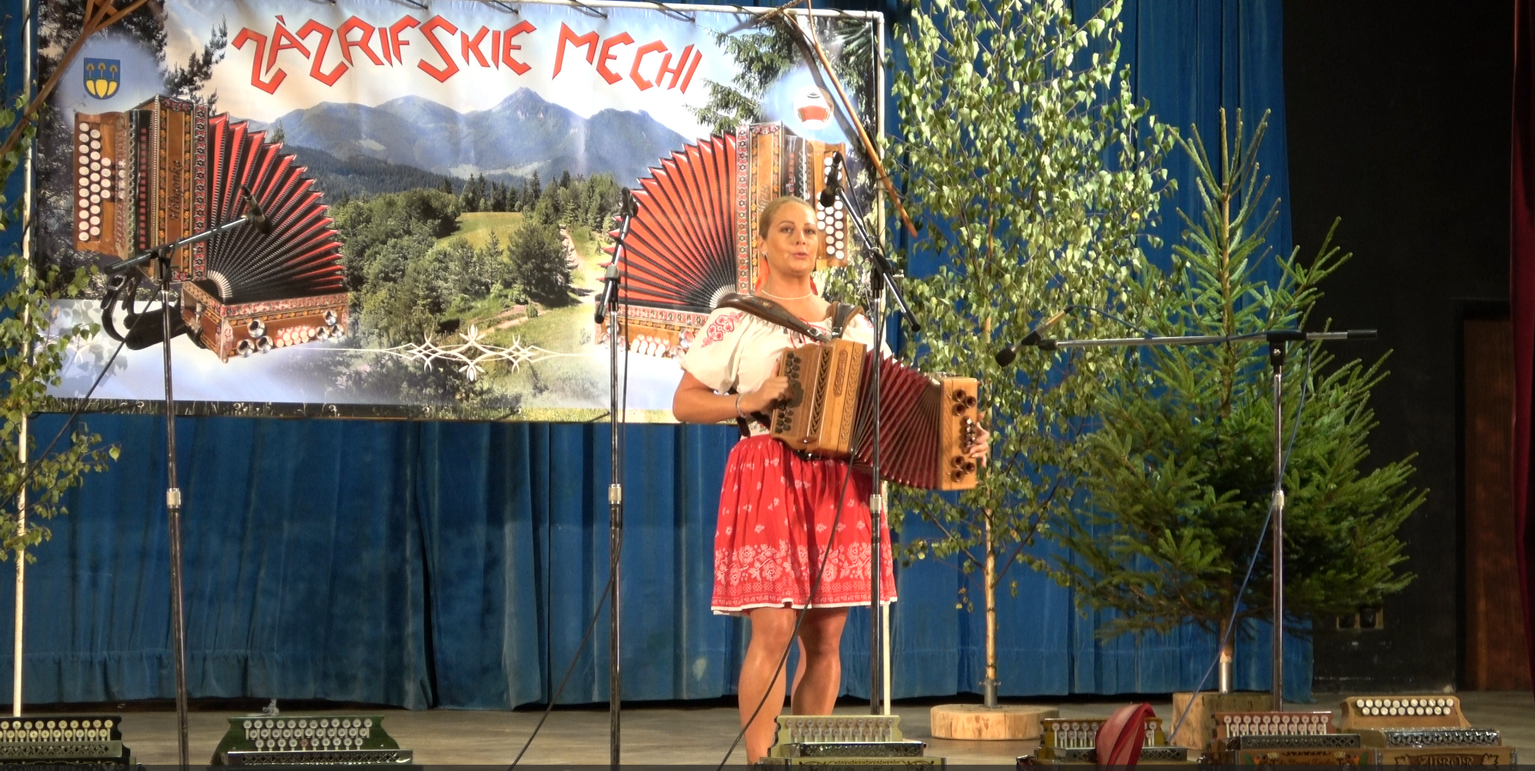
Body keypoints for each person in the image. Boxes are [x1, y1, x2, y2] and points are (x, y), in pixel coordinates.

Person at [672, 195, 988, 763]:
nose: (801, 239)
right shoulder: (736, 318)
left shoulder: (853, 323)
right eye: (787, 229)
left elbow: (896, 404)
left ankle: (806, 757)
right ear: (761, 243)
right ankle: (761, 761)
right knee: (774, 632)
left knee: (825, 639)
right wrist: (748, 399)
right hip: (768, 474)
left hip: (838, 483)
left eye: (810, 230)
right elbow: (685, 402)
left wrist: (961, 438)